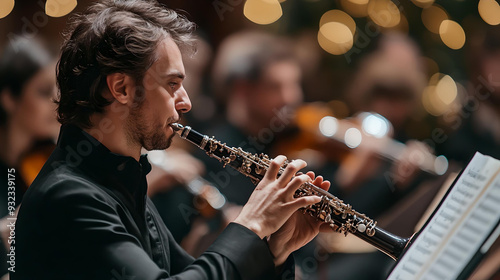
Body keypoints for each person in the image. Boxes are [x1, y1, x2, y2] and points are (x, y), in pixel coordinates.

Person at [12, 1, 330, 279]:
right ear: (121, 88)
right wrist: (250, 225)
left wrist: (274, 249)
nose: (186, 102)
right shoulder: (70, 196)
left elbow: (188, 273)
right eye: (172, 84)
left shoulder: (121, 180)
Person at [0, 37, 59, 279]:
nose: (57, 102)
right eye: (44, 92)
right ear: (9, 99)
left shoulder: (50, 160)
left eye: (58, 91)